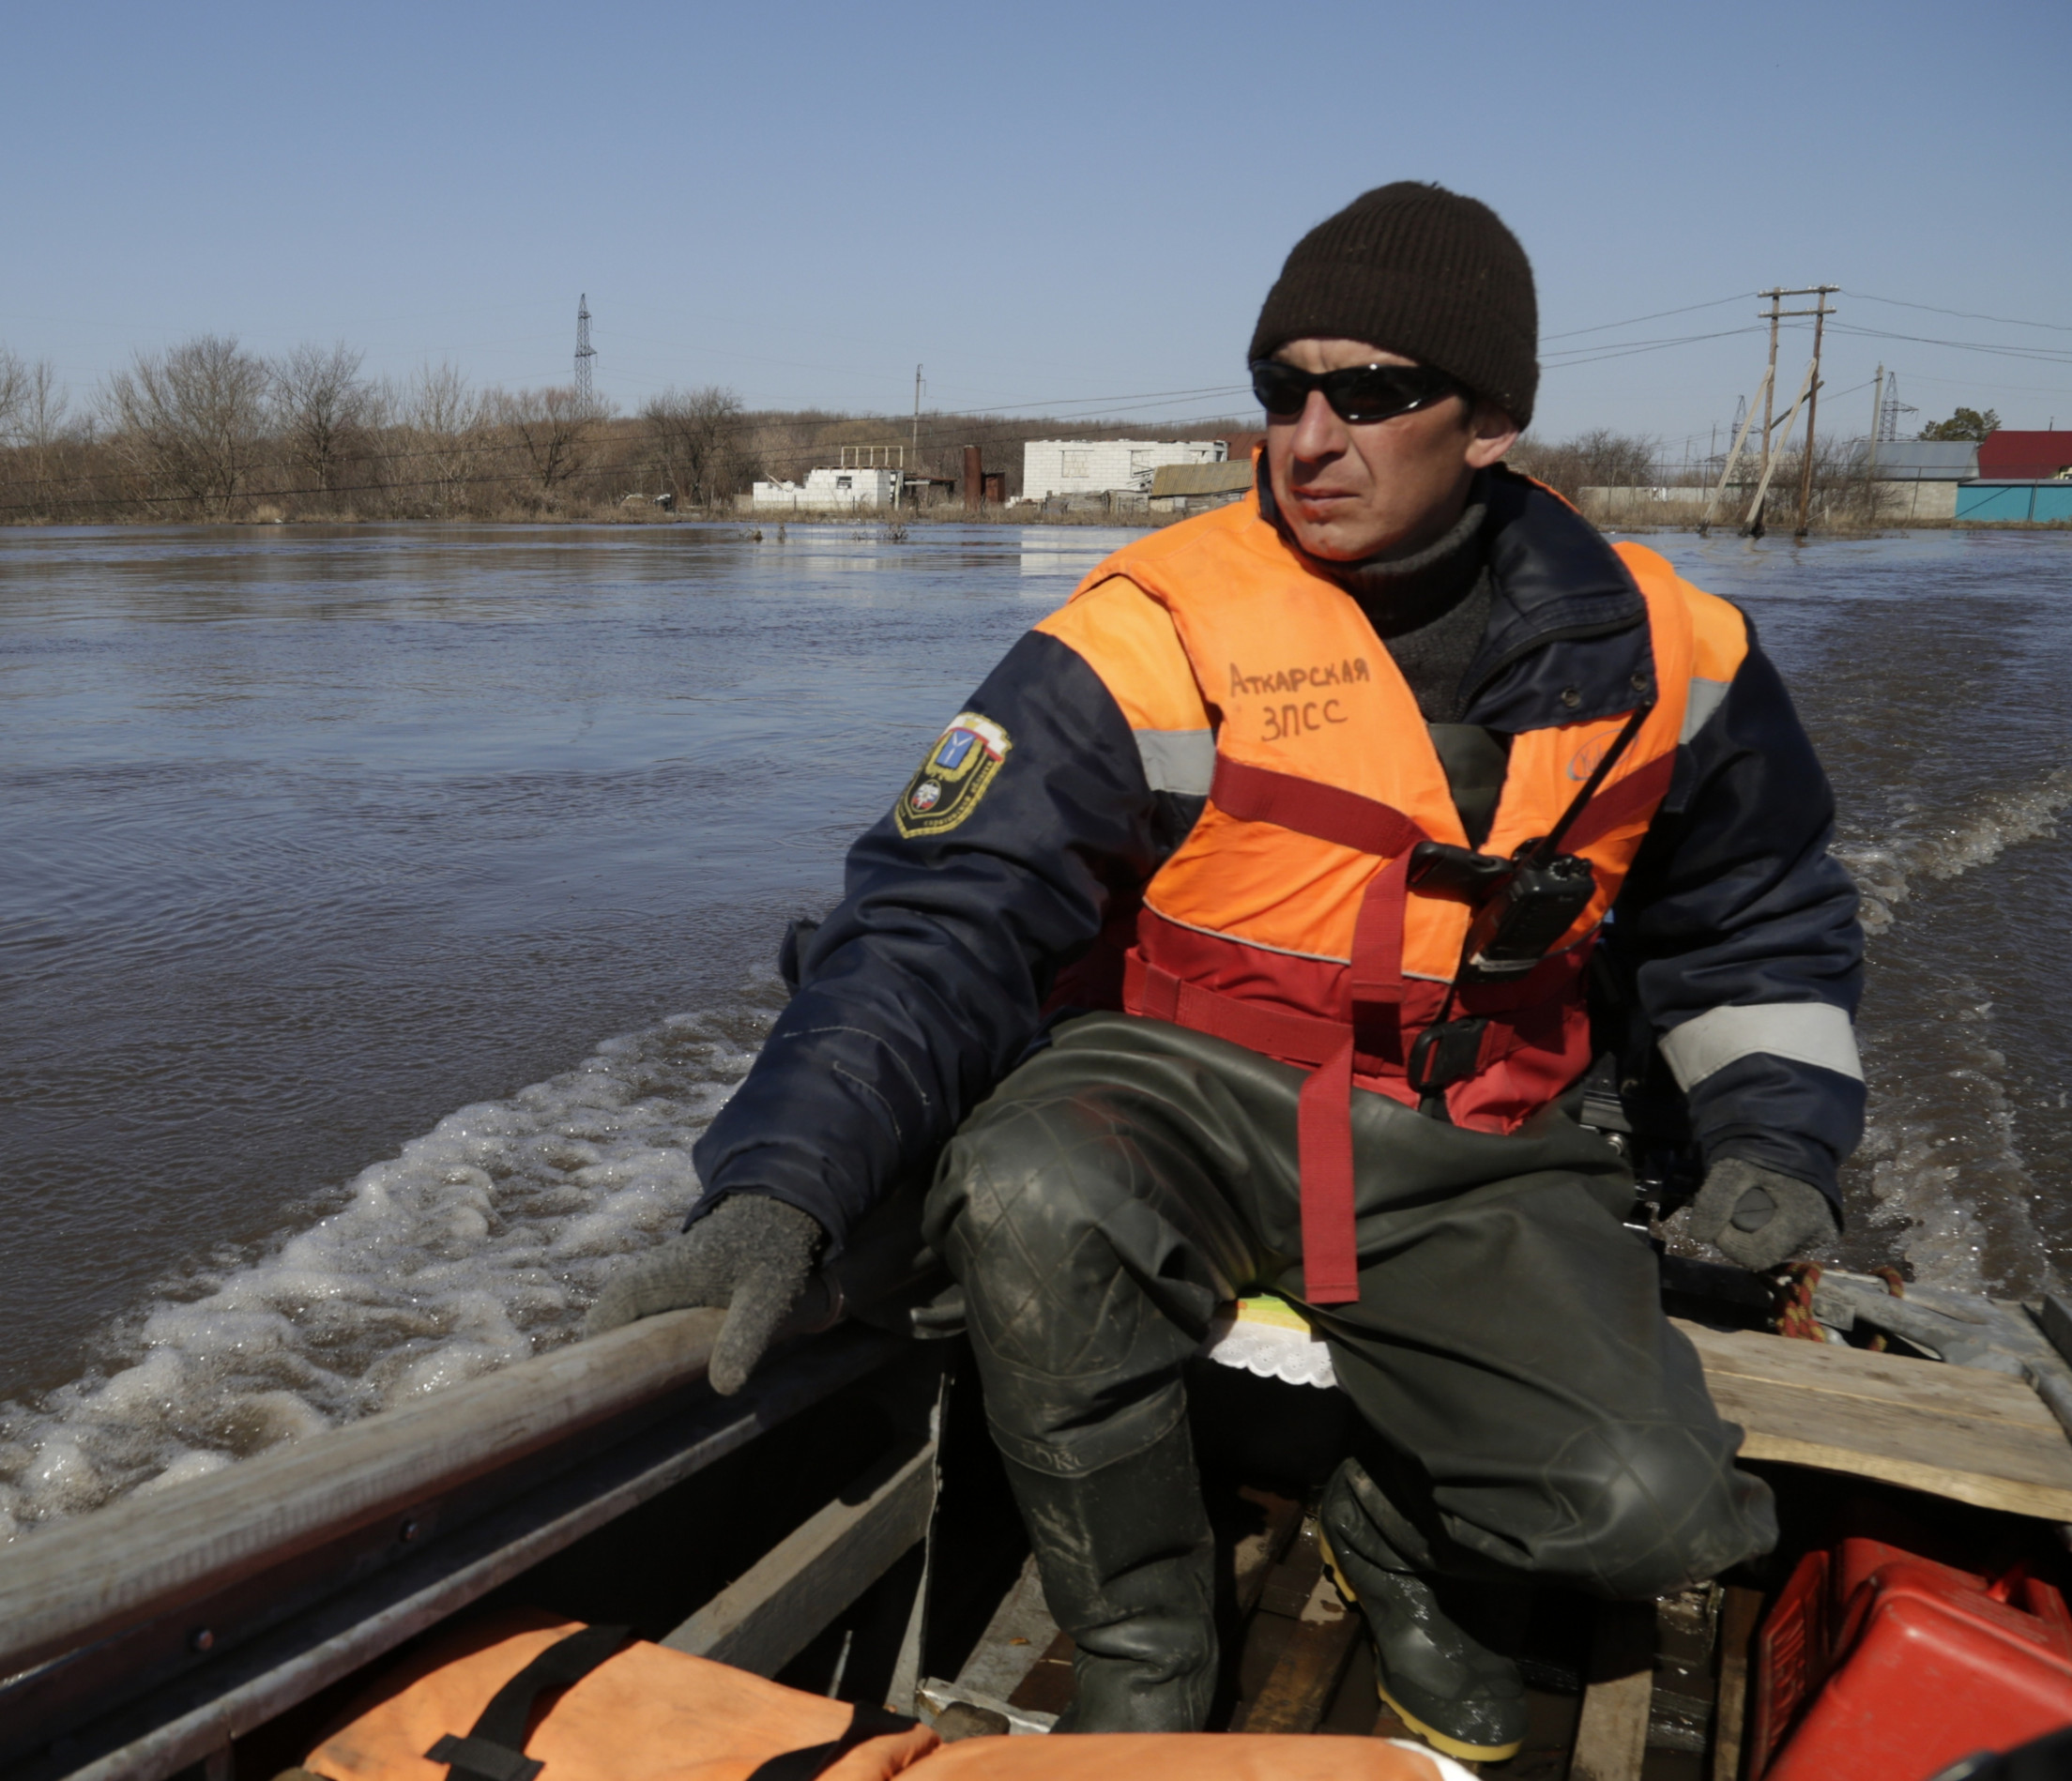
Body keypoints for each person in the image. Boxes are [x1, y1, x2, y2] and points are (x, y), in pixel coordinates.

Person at [586, 183, 1865, 1759]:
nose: (1310, 436)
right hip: (1176, 1093)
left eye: (1375, 392)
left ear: (1493, 422)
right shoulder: (1152, 624)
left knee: (1662, 1511)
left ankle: (1396, 1523)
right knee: (1025, 1189)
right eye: (1283, 387)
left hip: (1477, 1147)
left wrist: (1772, 1142)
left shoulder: (1681, 652)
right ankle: (1142, 1632)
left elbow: (1759, 918)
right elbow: (941, 910)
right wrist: (779, 1177)